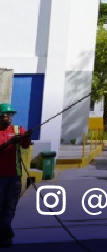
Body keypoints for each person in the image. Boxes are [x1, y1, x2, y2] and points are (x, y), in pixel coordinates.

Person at [0, 104, 32, 248]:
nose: (9, 118)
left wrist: (26, 138)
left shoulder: (18, 130)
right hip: (0, 177)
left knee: (10, 206)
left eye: (11, 115)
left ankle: (5, 233)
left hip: (14, 175)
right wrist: (8, 143)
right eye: (6, 115)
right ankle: (4, 232)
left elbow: (25, 145)